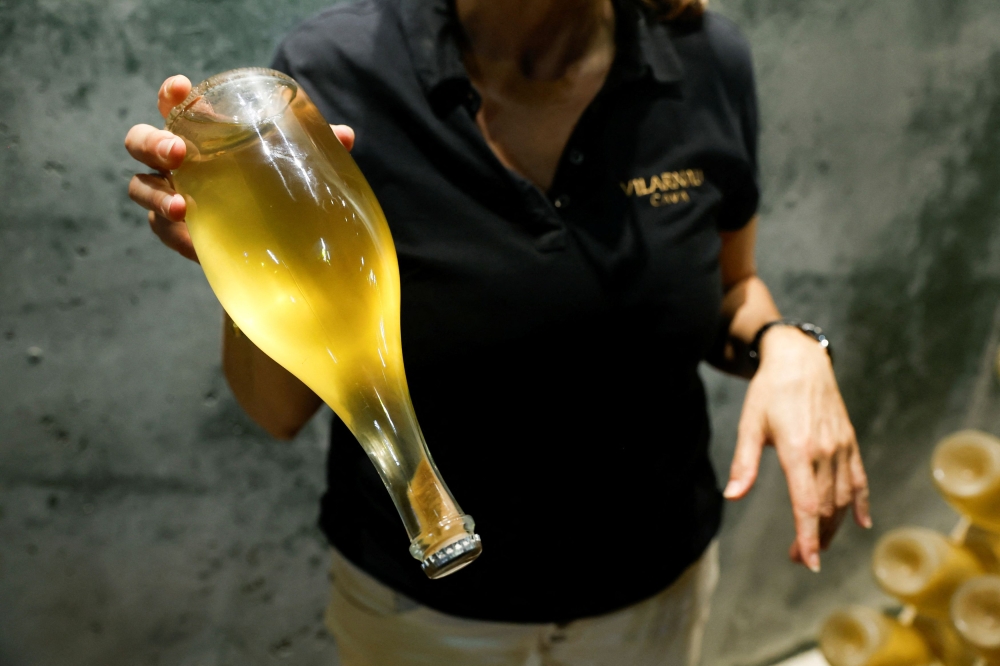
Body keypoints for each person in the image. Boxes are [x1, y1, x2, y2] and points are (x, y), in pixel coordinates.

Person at [125, 0, 872, 663]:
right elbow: (277, 411)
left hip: (651, 595)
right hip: (424, 615)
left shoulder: (705, 59)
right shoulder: (337, 68)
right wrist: (241, 257)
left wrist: (785, 342)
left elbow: (732, 289)